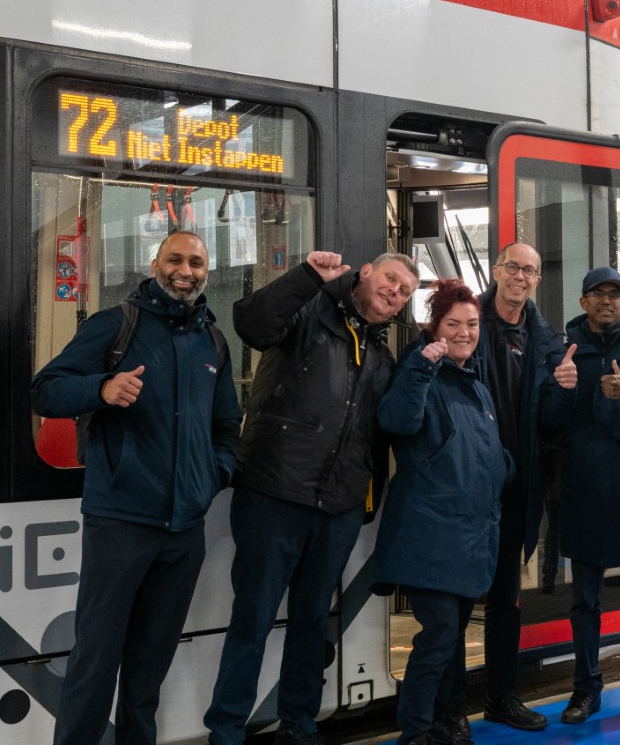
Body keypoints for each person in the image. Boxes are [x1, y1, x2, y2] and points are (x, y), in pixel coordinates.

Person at [31, 231, 241, 745]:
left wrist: (213, 476)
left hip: (184, 531)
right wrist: (101, 389)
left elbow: (227, 426)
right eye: (175, 259)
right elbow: (46, 390)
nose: (185, 271)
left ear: (207, 272)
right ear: (154, 264)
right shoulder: (115, 324)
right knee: (95, 662)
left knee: (149, 669)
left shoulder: (213, 342)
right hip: (120, 522)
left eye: (196, 263)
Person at [204, 251, 420, 745]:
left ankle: (298, 723)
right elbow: (251, 324)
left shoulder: (382, 358)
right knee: (253, 618)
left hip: (337, 508)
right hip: (274, 493)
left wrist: (364, 502)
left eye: (405, 291)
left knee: (312, 621)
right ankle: (227, 730)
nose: (395, 292)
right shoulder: (308, 313)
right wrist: (305, 277)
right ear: (366, 273)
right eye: (390, 279)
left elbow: (382, 433)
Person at [372, 279, 513, 745]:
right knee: (440, 634)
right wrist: (420, 370)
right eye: (453, 324)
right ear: (434, 327)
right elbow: (397, 422)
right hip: (428, 534)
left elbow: (482, 451)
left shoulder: (476, 386)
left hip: (468, 538)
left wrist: (504, 469)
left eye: (472, 324)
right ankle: (415, 731)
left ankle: (444, 722)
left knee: (449, 638)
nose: (464, 333)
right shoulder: (421, 370)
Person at [539, 266, 620, 724]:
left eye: (615, 294)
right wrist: (562, 389)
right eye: (597, 294)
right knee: (584, 603)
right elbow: (548, 424)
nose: (607, 301)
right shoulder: (562, 353)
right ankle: (586, 689)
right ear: (583, 301)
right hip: (581, 493)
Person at [471, 242, 576, 733]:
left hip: (516, 488)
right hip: (467, 484)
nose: (520, 276)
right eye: (512, 266)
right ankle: (445, 712)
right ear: (497, 271)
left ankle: (500, 698)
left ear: (537, 280)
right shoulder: (465, 321)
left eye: (529, 270)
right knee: (453, 602)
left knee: (504, 599)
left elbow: (552, 421)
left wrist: (566, 388)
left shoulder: (546, 340)